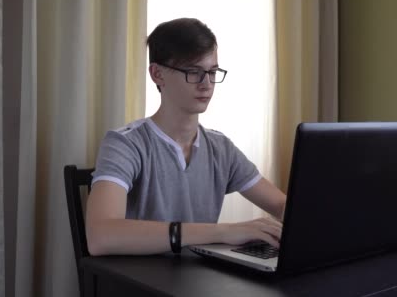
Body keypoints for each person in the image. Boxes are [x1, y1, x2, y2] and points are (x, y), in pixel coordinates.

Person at [86, 18, 286, 256]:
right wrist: (223, 232)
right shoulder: (125, 145)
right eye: (193, 72)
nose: (206, 84)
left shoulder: (221, 148)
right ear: (157, 74)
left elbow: (281, 205)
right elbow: (101, 237)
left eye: (212, 72)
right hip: (141, 282)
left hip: (201, 279)